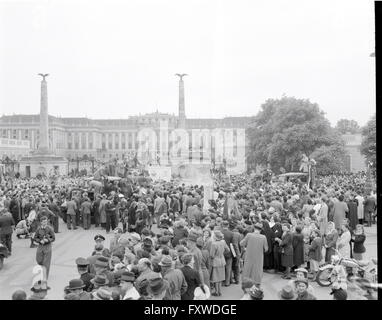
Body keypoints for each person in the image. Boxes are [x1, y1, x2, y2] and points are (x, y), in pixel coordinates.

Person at [209, 230, 228, 296]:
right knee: (220, 277)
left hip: (216, 261)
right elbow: (228, 250)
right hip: (222, 260)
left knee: (216, 278)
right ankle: (219, 291)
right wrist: (221, 253)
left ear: (215, 236)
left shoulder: (214, 244)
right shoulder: (223, 242)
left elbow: (211, 255)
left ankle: (217, 292)